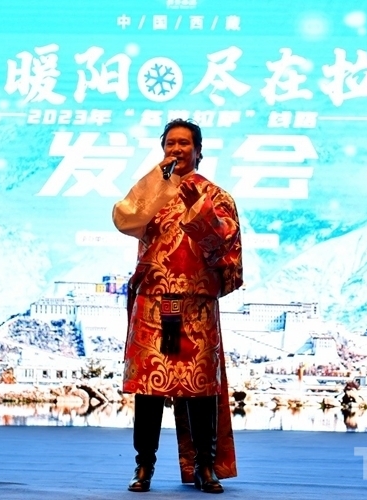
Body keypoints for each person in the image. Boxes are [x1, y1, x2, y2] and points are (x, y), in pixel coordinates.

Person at [112, 119, 243, 494]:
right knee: (150, 389)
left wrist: (196, 206)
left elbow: (225, 249)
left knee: (199, 387)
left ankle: (205, 466)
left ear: (199, 151)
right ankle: (144, 466)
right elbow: (124, 218)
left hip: (195, 304)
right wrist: (157, 184)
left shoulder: (217, 197)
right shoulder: (151, 193)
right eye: (170, 143)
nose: (177, 149)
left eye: (184, 143)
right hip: (156, 304)